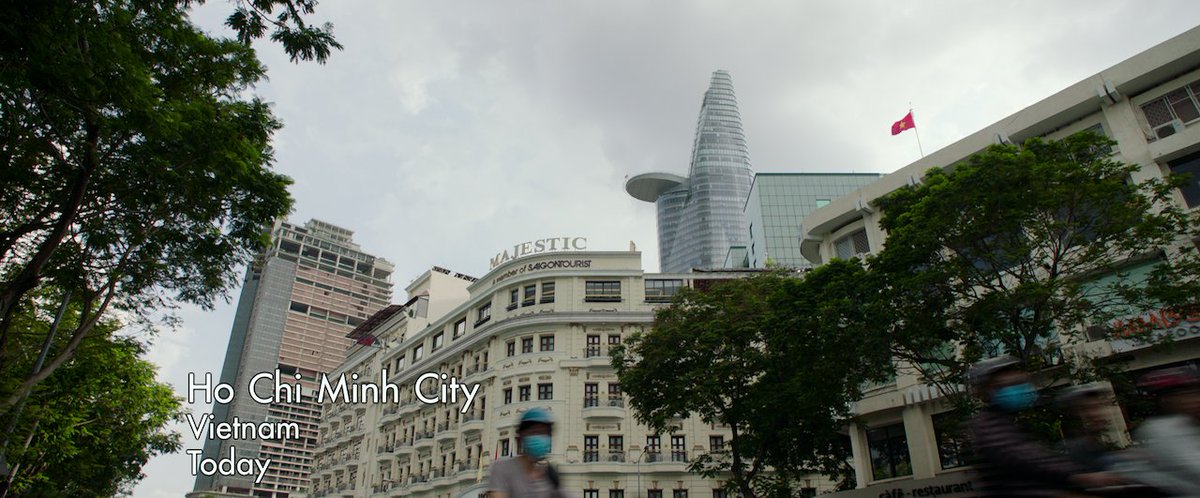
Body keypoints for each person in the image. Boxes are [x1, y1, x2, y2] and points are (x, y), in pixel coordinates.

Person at [968, 356, 1126, 496]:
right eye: (1005, 385)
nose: (1016, 388)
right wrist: (1077, 475)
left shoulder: (1007, 421)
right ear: (987, 391)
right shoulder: (988, 425)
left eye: (1017, 383)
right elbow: (1022, 457)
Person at [1127, 367, 1200, 497]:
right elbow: (1193, 468)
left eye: (1194, 393)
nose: (1194, 400)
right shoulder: (1160, 430)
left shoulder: (1189, 424)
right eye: (1183, 395)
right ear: (1166, 400)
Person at [489, 407, 573, 498]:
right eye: (534, 431)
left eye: (544, 433)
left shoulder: (549, 475)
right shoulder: (502, 468)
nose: (540, 437)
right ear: (521, 436)